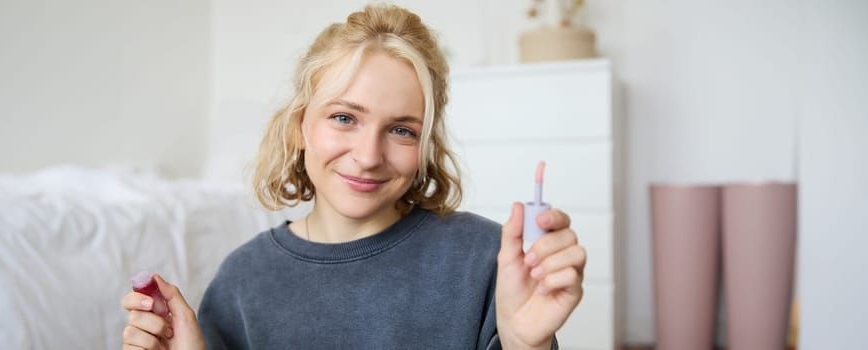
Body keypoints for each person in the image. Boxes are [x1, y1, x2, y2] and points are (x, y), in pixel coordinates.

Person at [121, 4, 586, 350]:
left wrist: (527, 345)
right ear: (302, 124)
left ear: (425, 146)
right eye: (344, 118)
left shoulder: (484, 261)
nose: (367, 156)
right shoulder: (242, 280)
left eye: (401, 130)